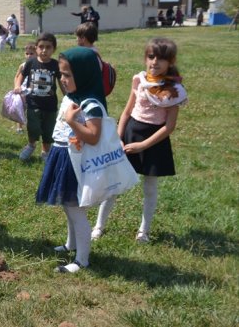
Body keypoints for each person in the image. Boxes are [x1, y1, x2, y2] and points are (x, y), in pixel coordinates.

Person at [91, 38, 187, 243]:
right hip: (130, 135)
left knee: (150, 188)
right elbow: (127, 111)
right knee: (115, 184)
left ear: (171, 61)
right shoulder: (139, 80)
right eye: (151, 56)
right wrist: (118, 136)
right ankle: (99, 226)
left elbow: (169, 127)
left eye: (162, 58)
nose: (155, 62)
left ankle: (144, 231)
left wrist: (143, 145)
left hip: (153, 142)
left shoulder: (174, 90)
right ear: (145, 58)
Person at [37, 46, 107, 273]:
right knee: (67, 205)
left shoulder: (91, 104)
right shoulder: (71, 97)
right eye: (61, 74)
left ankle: (82, 260)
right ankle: (71, 244)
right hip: (62, 154)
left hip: (74, 161)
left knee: (75, 208)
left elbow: (94, 137)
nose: (62, 79)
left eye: (68, 75)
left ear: (85, 74)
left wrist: (71, 122)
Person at [14, 33, 62, 161]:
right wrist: (17, 86)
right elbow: (20, 76)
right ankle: (31, 145)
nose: (44, 50)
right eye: (41, 47)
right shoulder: (31, 63)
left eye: (48, 47)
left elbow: (61, 82)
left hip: (50, 106)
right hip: (33, 103)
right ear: (36, 48)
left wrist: (68, 96)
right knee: (33, 128)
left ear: (54, 49)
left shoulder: (55, 65)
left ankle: (45, 152)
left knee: (48, 131)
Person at [12, 43, 37, 134]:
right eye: (27, 53)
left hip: (34, 90)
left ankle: (33, 125)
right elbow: (17, 76)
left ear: (36, 53)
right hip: (23, 90)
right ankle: (19, 126)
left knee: (32, 108)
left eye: (31, 53)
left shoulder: (38, 65)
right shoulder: (22, 65)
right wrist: (16, 86)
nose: (29, 56)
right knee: (21, 108)